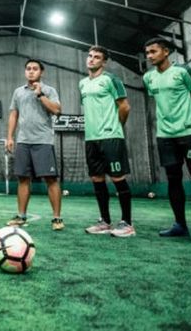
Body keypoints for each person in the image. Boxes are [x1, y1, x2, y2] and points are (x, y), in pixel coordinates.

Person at [143, 37, 191, 241]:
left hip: (188, 134)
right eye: (147, 53)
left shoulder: (183, 72)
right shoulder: (148, 78)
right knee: (173, 179)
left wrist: (186, 121)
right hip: (165, 136)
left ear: (166, 52)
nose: (150, 56)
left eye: (153, 51)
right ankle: (180, 225)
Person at [79, 45, 135, 237]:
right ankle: (104, 221)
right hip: (91, 138)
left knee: (118, 178)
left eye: (97, 57)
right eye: (90, 56)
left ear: (104, 61)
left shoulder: (111, 79)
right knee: (97, 179)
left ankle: (127, 223)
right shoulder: (83, 83)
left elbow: (125, 107)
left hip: (111, 137)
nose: (92, 59)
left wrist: (117, 127)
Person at [6, 59, 64, 230]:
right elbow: (13, 115)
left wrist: (40, 94)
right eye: (28, 69)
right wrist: (10, 137)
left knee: (51, 180)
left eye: (35, 69)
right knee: (23, 179)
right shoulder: (18, 92)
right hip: (23, 141)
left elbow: (57, 110)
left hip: (43, 141)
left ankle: (57, 219)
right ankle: (21, 216)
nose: (31, 71)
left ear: (41, 72)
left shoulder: (49, 90)